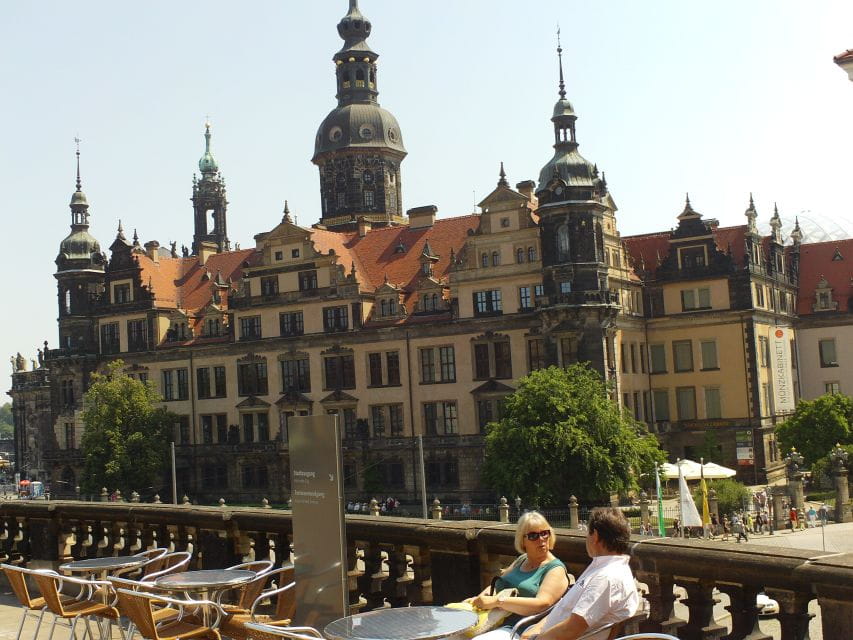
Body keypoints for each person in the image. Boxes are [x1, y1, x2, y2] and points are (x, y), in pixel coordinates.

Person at [521, 508, 639, 640]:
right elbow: (565, 608)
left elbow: (571, 629)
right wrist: (537, 629)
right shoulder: (605, 568)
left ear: (595, 536)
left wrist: (535, 639)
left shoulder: (606, 578)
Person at [466, 512, 569, 640]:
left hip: (518, 628)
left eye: (544, 533)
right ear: (522, 540)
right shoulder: (522, 559)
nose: (541, 539)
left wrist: (498, 601)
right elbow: (499, 584)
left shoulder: (555, 569)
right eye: (533, 536)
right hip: (491, 619)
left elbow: (542, 603)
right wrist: (479, 598)